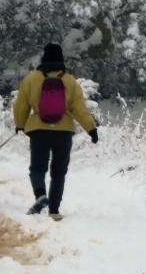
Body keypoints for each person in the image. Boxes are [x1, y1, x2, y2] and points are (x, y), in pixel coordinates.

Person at [12, 42, 98, 221]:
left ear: (43, 57)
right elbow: (79, 108)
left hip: (38, 130)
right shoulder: (69, 80)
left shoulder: (32, 78)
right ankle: (54, 209)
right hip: (63, 131)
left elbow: (21, 105)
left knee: (37, 168)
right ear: (61, 58)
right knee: (58, 171)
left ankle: (40, 195)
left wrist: (20, 124)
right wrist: (91, 129)